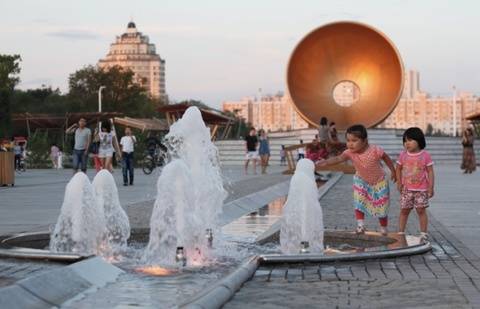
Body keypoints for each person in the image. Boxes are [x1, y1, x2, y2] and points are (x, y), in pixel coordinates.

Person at [316, 124, 396, 235]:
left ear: (364, 141)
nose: (350, 144)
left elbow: (386, 158)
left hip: (379, 181)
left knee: (381, 206)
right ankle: (360, 226)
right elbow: (339, 158)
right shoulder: (349, 152)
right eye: (348, 140)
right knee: (359, 201)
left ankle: (383, 227)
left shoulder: (374, 150)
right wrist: (326, 162)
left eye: (354, 140)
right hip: (361, 180)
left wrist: (393, 171)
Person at [396, 127, 434, 241]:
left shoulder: (425, 155)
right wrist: (399, 182)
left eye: (410, 140)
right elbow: (398, 169)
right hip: (407, 189)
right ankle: (401, 232)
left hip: (421, 189)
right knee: (404, 210)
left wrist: (431, 187)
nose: (407, 143)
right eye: (405, 141)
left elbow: (430, 171)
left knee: (421, 210)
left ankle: (423, 233)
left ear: (419, 141)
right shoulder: (403, 155)